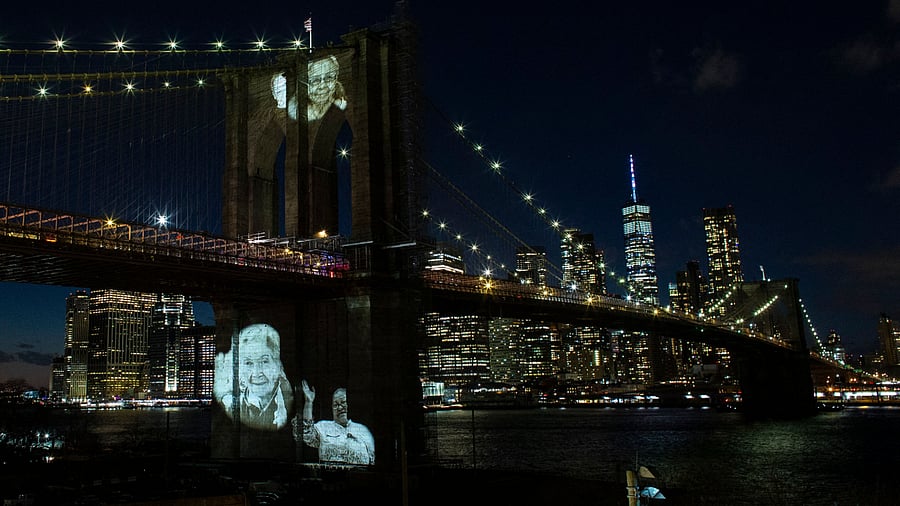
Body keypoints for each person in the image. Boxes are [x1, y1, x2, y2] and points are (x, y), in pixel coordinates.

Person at [214, 323, 293, 431]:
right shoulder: (232, 406)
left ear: (277, 364)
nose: (256, 373)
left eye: (264, 361)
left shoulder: (290, 397)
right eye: (248, 363)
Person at [293, 379, 374, 465]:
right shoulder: (323, 427)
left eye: (343, 403)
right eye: (335, 405)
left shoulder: (363, 430)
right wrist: (309, 403)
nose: (339, 408)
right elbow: (304, 433)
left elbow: (373, 459)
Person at [307, 55, 347, 121]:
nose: (322, 86)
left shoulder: (343, 107)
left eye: (329, 78)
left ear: (336, 79)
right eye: (315, 80)